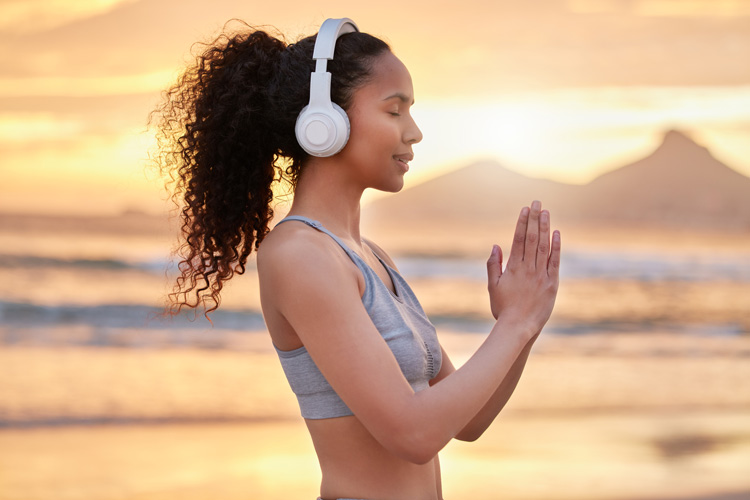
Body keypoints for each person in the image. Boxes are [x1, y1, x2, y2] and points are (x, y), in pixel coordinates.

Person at [151, 17, 561, 500]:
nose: (415, 133)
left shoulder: (372, 258)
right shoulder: (299, 255)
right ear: (325, 122)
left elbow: (468, 422)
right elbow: (412, 435)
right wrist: (513, 324)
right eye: (394, 111)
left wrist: (525, 322)